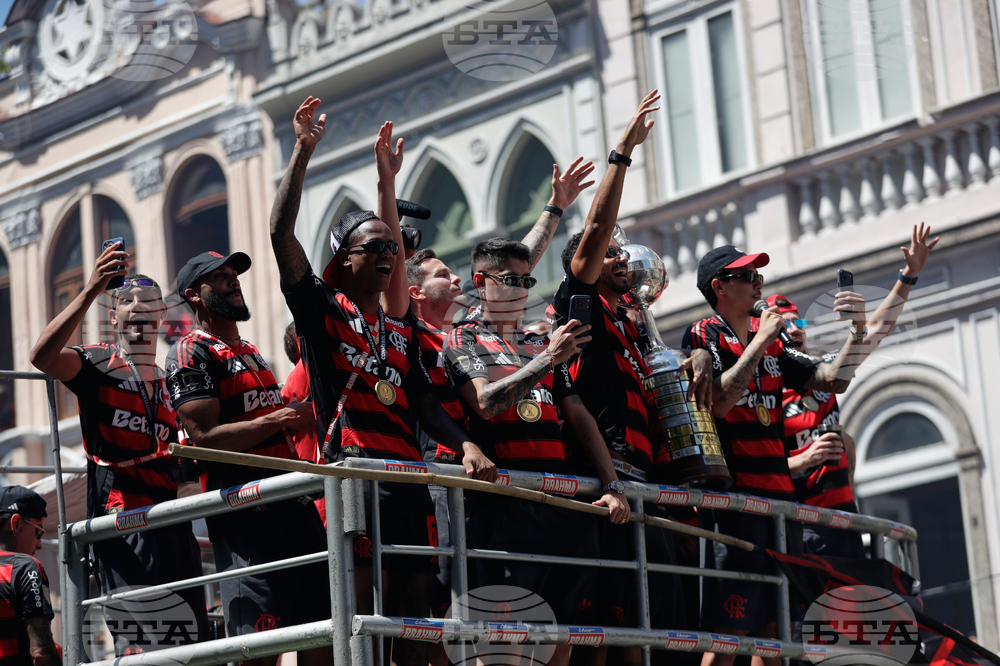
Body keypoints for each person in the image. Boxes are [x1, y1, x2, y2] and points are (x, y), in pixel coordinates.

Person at [270, 97, 492, 666]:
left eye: (393, 247)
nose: (390, 254)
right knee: (361, 615)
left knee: (416, 613)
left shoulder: (398, 328)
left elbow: (424, 402)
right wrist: (301, 152)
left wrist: (466, 444)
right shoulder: (321, 310)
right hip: (354, 476)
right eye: (375, 247)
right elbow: (280, 234)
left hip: (407, 481)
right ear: (343, 260)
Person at [550, 91, 711, 666]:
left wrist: (694, 359)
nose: (622, 258)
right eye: (611, 254)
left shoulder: (634, 324)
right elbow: (596, 225)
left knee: (662, 630)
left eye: (624, 253)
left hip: (649, 484)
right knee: (612, 636)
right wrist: (622, 153)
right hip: (610, 481)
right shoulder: (581, 305)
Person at [683, 243, 872, 666]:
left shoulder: (770, 340)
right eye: (747, 277)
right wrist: (762, 340)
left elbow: (832, 379)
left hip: (782, 508)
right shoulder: (704, 334)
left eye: (758, 276)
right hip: (736, 505)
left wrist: (858, 332)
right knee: (727, 638)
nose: (757, 284)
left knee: (776, 636)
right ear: (719, 287)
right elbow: (720, 404)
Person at [444, 237, 629, 666]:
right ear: (480, 282)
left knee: (561, 640)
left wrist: (612, 484)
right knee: (508, 646)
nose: (522, 289)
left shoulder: (537, 339)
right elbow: (486, 402)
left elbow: (578, 415)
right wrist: (548, 358)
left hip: (559, 505)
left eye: (527, 281)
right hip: (505, 507)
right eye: (511, 280)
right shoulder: (463, 336)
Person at [29, 247, 207, 656]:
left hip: (173, 525)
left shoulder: (170, 379)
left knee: (192, 648)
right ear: (113, 317)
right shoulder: (99, 361)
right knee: (140, 649)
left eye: (148, 302)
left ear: (160, 315)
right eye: (127, 301)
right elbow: (41, 356)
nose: (138, 308)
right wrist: (92, 288)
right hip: (123, 527)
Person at [165, 251, 330, 666]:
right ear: (194, 295)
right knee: (256, 654)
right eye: (220, 277)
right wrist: (284, 417)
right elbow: (203, 438)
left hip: (295, 510)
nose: (233, 281)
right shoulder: (188, 351)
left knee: (324, 640)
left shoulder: (251, 350)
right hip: (248, 519)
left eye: (234, 274)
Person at [772, 222, 939, 559]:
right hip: (800, 526)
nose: (795, 330)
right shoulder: (765, 388)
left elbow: (876, 329)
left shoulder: (824, 370)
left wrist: (908, 275)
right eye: (784, 325)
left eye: (798, 322)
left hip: (844, 519)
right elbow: (758, 470)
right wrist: (806, 459)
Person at [0, 486, 59, 666]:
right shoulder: (24, 566)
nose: (40, 544)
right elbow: (41, 654)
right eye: (38, 531)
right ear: (16, 524)